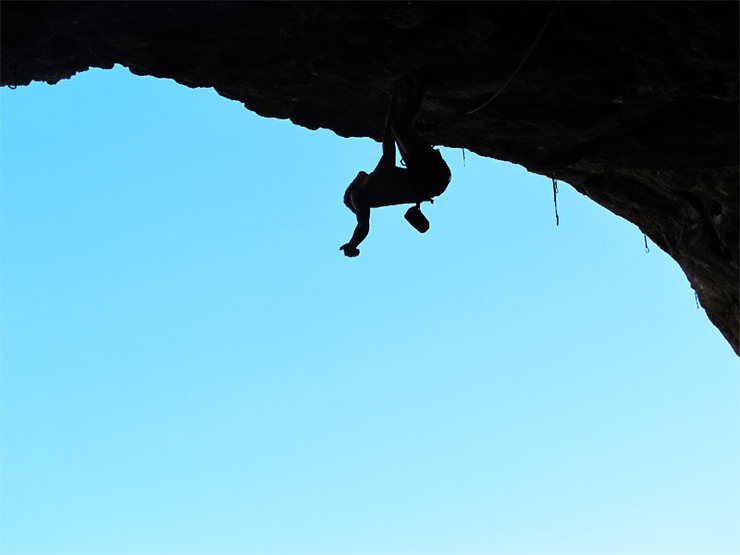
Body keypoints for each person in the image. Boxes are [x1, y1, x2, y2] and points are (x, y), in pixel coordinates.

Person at [340, 77, 452, 257]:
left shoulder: (380, 175)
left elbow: (387, 133)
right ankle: (420, 85)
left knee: (398, 129)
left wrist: (393, 98)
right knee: (400, 128)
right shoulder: (357, 195)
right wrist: (352, 244)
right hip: (430, 177)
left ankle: (413, 91)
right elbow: (363, 225)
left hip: (435, 178)